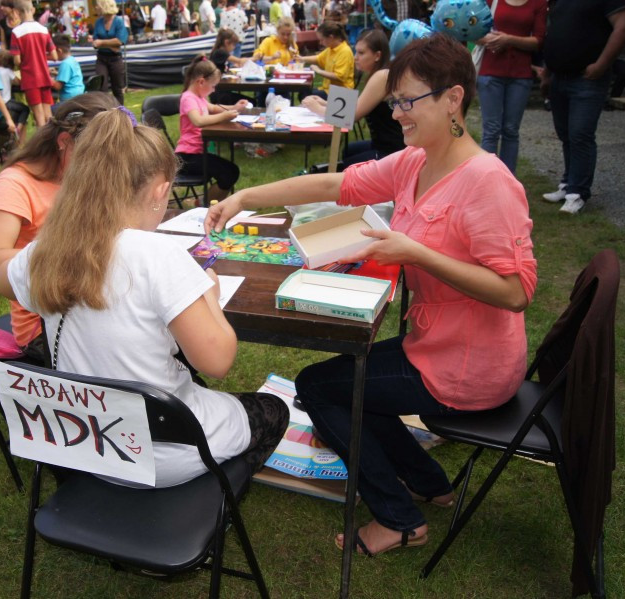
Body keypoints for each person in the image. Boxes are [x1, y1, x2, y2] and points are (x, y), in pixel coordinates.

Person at [205, 33, 537, 556]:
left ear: (453, 99)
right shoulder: (416, 161)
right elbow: (334, 186)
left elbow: (516, 292)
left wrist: (417, 253)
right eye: (395, 102)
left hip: (469, 366)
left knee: (320, 386)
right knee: (351, 379)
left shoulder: (487, 182)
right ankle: (429, 481)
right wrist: (246, 196)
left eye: (408, 102)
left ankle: (399, 518)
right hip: (436, 346)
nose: (398, 114)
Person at [0, 107, 288, 488]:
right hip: (161, 457)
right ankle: (209, 498)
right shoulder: (160, 256)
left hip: (87, 444)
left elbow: (2, 280)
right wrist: (210, 298)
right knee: (274, 411)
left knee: (181, 369)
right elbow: (218, 361)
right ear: (160, 190)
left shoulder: (45, 252)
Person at [0, 94, 118, 363]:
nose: (101, 167)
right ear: (65, 142)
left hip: (94, 303)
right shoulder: (17, 183)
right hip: (45, 322)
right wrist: (75, 249)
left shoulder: (85, 176)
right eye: (94, 157)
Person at [539, 0, 625, 215]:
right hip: (558, 76)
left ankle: (578, 193)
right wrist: (546, 73)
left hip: (587, 78)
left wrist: (602, 64)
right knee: (566, 134)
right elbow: (554, 32)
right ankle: (568, 184)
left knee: (580, 133)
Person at [302, 29, 404, 167]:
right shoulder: (380, 74)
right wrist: (325, 103)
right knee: (349, 151)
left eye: (361, 53)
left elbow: (350, 117)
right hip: (385, 144)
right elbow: (360, 104)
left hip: (391, 151)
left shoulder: (381, 76)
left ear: (377, 55)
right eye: (356, 52)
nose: (355, 57)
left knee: (346, 167)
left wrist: (317, 108)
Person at [475, 0, 547, 175]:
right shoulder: (489, 1)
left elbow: (538, 40)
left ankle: (508, 180)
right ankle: (486, 179)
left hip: (520, 74)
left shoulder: (538, 3)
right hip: (490, 71)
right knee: (491, 130)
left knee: (511, 130)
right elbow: (473, 32)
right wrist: (489, 40)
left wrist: (509, 40)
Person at [177, 56, 249, 203]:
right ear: (201, 82)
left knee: (231, 171)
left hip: (197, 152)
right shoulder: (188, 98)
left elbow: (214, 108)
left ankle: (206, 203)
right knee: (228, 173)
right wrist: (224, 116)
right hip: (188, 156)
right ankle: (204, 204)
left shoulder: (198, 96)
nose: (214, 90)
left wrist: (235, 108)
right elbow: (198, 121)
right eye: (213, 86)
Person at [10, 0, 57, 128]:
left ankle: (43, 146)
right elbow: (54, 56)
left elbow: (17, 60)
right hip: (44, 76)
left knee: (39, 116)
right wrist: (40, 56)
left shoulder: (16, 32)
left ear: (16, 12)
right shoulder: (44, 30)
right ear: (33, 10)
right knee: (48, 115)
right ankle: (53, 143)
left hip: (30, 78)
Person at [301, 21, 354, 98]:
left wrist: (319, 71)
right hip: (329, 90)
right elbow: (318, 58)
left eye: (322, 40)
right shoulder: (331, 49)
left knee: (305, 95)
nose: (320, 43)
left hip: (342, 94)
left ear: (331, 37)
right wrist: (301, 59)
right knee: (304, 92)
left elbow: (339, 77)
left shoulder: (344, 51)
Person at [92, 0, 128, 106]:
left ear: (104, 6)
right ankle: (105, 112)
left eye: (98, 6)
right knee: (101, 88)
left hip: (115, 59)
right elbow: (95, 42)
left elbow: (120, 41)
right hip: (101, 58)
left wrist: (102, 42)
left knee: (117, 88)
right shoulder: (98, 22)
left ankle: (120, 113)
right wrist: (112, 45)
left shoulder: (119, 22)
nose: (96, 8)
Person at [0, 50, 30, 143]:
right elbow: (18, 82)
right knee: (25, 109)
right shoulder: (8, 71)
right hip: (5, 102)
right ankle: (18, 128)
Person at [52, 36, 84, 101]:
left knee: (50, 110)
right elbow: (71, 76)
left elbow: (58, 86)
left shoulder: (65, 64)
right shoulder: (72, 60)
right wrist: (56, 73)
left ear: (59, 50)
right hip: (79, 95)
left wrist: (45, 76)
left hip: (69, 100)